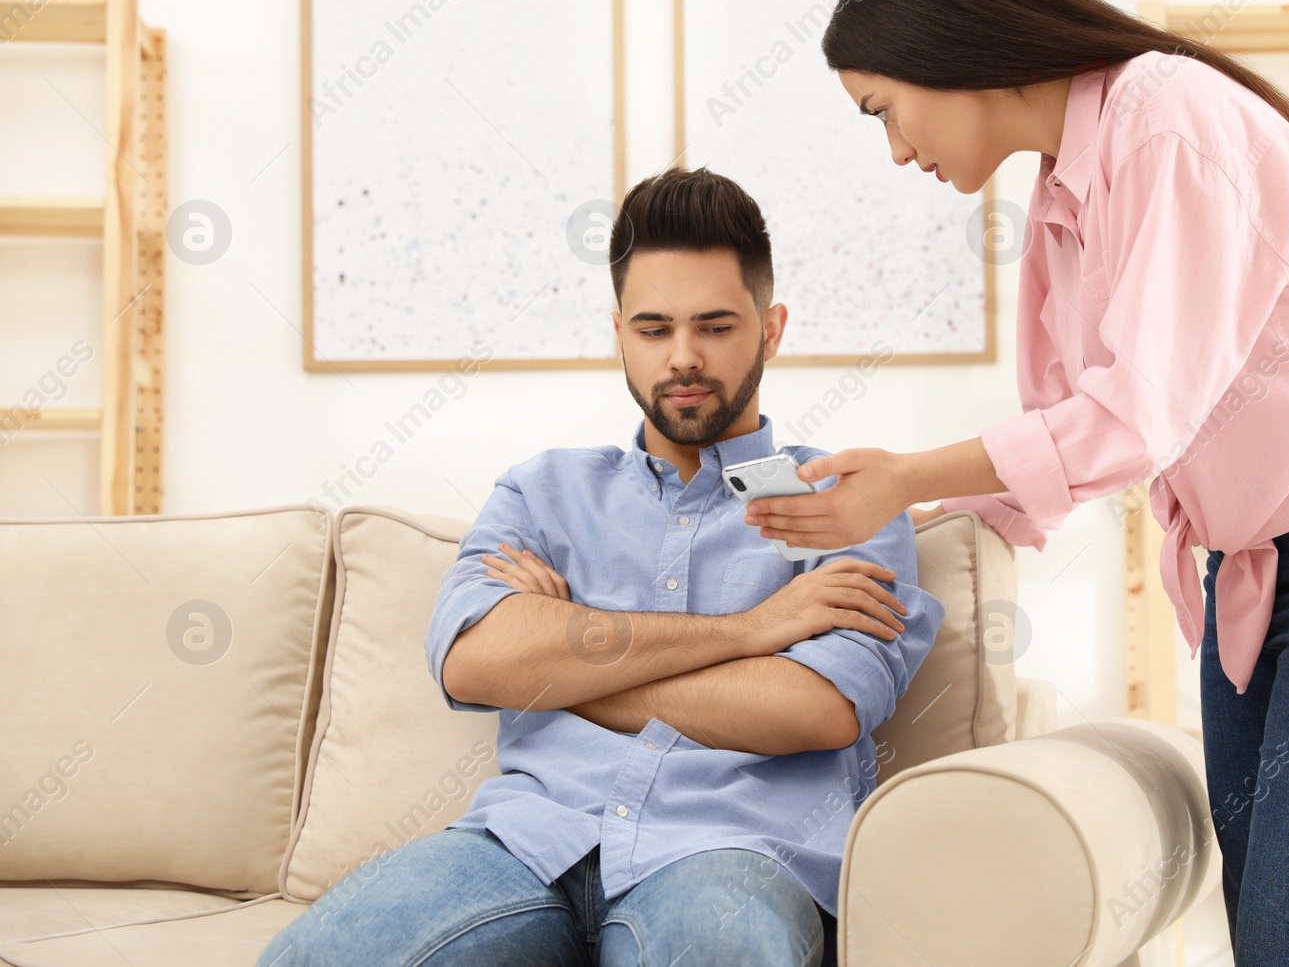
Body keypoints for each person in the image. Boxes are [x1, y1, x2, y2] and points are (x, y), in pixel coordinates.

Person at [740, 0, 1289, 966]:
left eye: (885, 111)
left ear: (946, 51)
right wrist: (879, 521)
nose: (898, 150)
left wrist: (903, 476)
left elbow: (1136, 415)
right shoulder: (1060, 196)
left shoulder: (1163, 118)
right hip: (1259, 570)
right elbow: (1048, 450)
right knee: (1275, 938)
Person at [256, 166, 944, 967]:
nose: (683, 357)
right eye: (654, 329)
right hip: (524, 840)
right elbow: (475, 661)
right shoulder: (542, 493)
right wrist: (753, 631)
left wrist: (566, 664)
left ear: (773, 327)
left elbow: (814, 711)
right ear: (619, 331)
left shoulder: (850, 501)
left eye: (715, 326)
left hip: (731, 853)